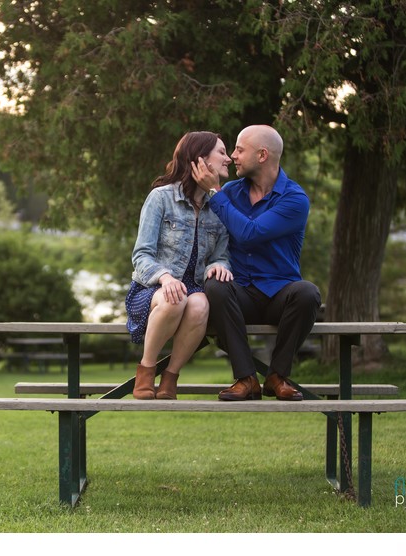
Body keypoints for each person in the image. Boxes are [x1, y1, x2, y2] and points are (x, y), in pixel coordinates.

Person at [191, 125, 321, 401]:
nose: (233, 156)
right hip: (240, 295)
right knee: (214, 285)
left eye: (239, 149)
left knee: (308, 292)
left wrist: (215, 193)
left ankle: (277, 376)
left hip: (279, 294)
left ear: (262, 155)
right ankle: (246, 378)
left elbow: (251, 235)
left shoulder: (294, 199)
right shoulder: (231, 192)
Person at [126, 131, 235, 400]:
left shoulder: (219, 207)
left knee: (200, 304)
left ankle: (171, 377)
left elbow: (222, 255)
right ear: (200, 159)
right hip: (152, 289)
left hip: (193, 290)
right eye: (221, 152)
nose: (229, 158)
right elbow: (141, 255)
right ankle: (147, 369)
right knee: (175, 297)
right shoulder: (161, 198)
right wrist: (165, 278)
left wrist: (220, 265)